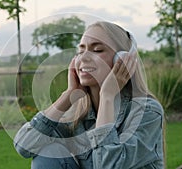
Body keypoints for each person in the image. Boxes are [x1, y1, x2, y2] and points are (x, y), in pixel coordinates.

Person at [14, 21, 165, 169]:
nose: (84, 58)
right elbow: (24, 146)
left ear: (123, 59)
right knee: (48, 152)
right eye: (80, 51)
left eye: (97, 50)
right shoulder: (77, 114)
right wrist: (68, 95)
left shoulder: (146, 112)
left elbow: (108, 166)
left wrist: (107, 97)